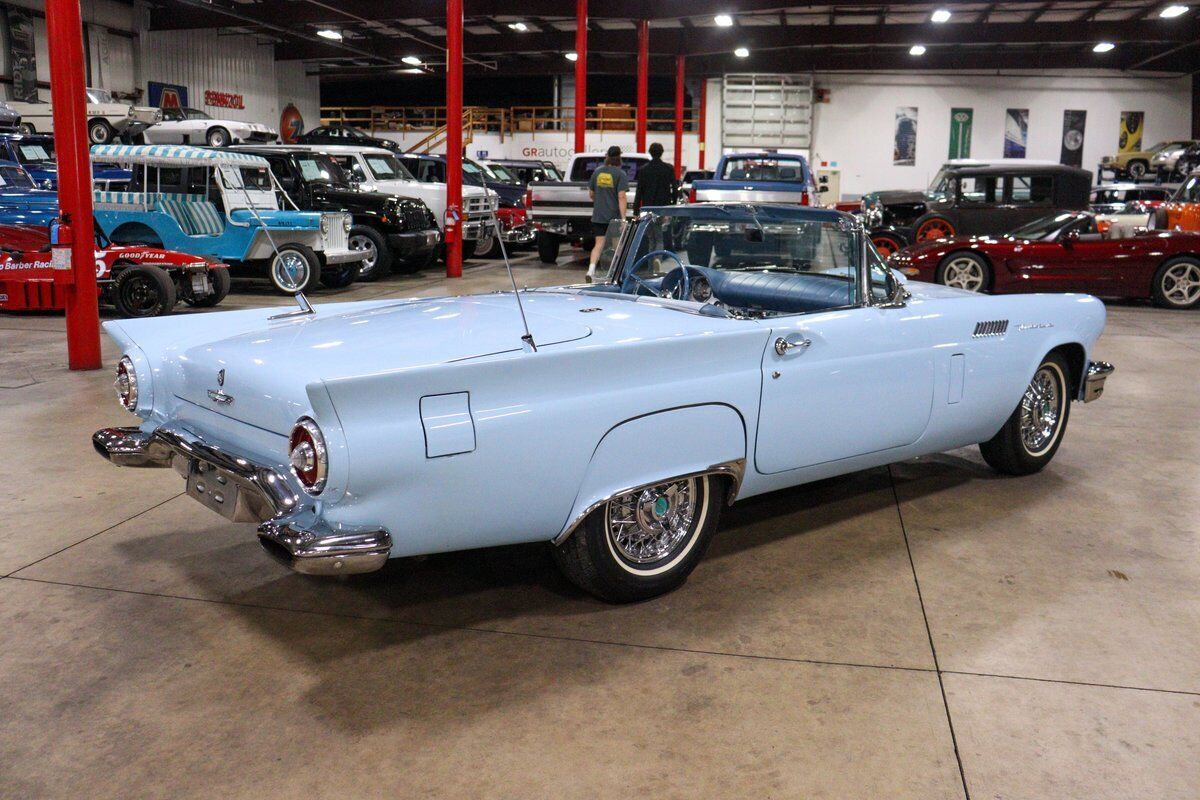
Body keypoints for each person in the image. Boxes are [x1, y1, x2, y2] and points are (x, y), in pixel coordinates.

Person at [587, 145, 629, 281]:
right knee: (617, 246)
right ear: (619, 158)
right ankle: (616, 273)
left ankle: (591, 270)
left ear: (607, 157)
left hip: (598, 215)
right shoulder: (620, 174)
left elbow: (591, 194)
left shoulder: (597, 172)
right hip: (613, 217)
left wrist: (600, 200)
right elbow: (621, 196)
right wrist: (623, 219)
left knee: (599, 244)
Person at [633, 142, 677, 214]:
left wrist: (636, 210)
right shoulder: (668, 168)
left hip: (648, 206)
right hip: (664, 206)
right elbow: (675, 188)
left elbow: (639, 191)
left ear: (650, 152)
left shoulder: (643, 170)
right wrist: (673, 204)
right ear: (662, 152)